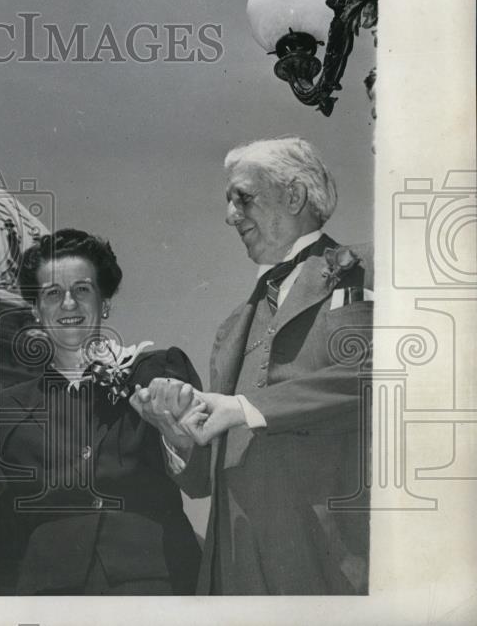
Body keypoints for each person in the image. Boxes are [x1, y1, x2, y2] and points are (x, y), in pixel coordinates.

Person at [134, 136, 372, 594]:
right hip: (233, 569)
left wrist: (242, 408)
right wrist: (177, 433)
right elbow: (202, 483)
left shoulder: (367, 267)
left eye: (242, 198)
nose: (229, 216)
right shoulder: (229, 330)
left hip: (331, 558)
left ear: (294, 195)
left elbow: (373, 376)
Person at [0, 229, 204, 595]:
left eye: (82, 289)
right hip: (51, 597)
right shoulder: (4, 411)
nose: (68, 304)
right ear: (36, 311)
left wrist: (180, 437)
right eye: (52, 293)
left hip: (157, 586)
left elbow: (204, 477)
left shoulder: (156, 373)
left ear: (105, 303)